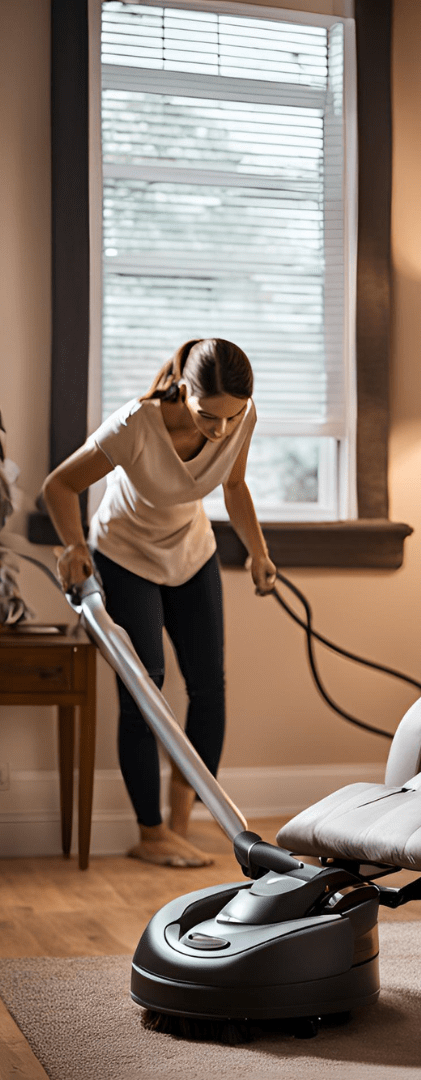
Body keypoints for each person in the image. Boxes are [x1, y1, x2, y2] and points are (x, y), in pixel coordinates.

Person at [42, 339, 276, 867]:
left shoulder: (239, 417)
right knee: (144, 692)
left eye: (232, 417)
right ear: (184, 390)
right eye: (208, 416)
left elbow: (234, 485)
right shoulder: (136, 425)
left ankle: (181, 822)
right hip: (125, 555)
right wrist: (75, 548)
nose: (221, 430)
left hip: (192, 554)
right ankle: (150, 834)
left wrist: (258, 553)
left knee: (208, 688)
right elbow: (59, 486)